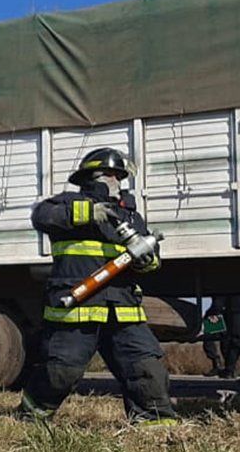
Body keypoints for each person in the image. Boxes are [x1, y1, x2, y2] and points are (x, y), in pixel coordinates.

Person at [17, 147, 176, 426]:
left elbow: (151, 265)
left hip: (123, 309)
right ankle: (31, 417)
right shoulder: (67, 205)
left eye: (120, 176)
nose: (117, 181)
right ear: (93, 177)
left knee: (146, 368)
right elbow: (41, 216)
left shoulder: (131, 218)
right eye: (112, 175)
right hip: (78, 306)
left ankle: (157, 427)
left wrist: (147, 259)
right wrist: (89, 211)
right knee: (61, 372)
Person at [203, 301, 227, 376]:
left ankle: (222, 366)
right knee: (211, 339)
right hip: (220, 310)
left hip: (220, 309)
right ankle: (222, 366)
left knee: (225, 340)